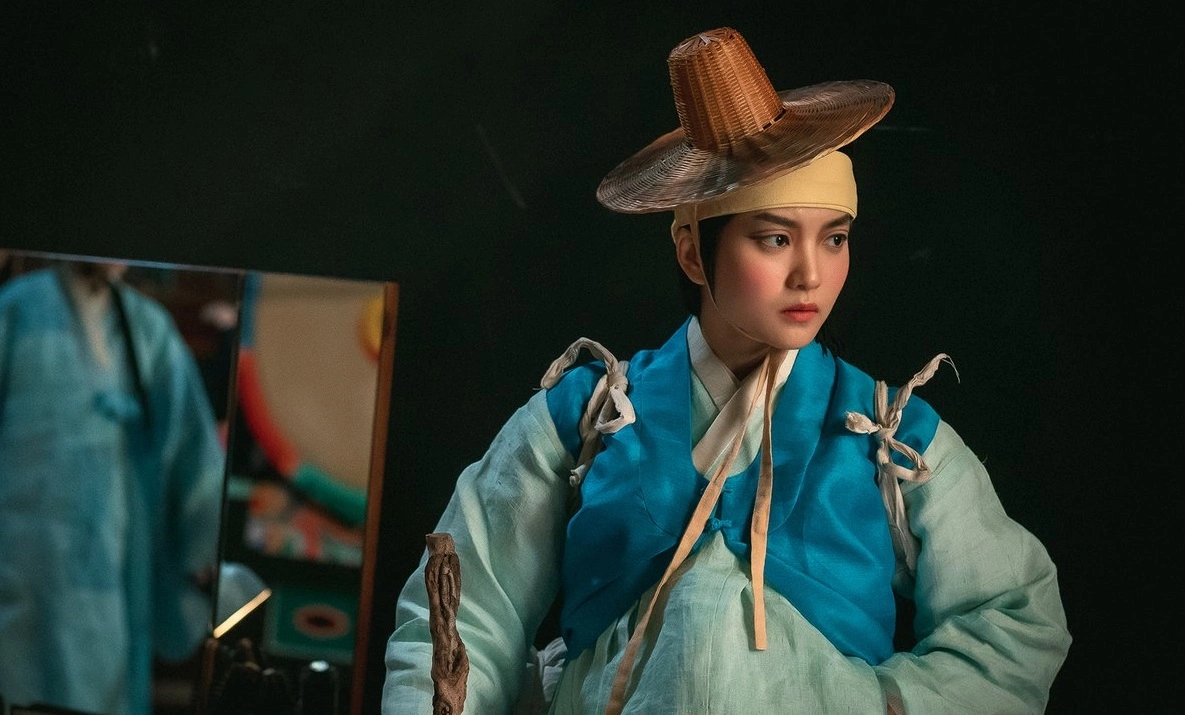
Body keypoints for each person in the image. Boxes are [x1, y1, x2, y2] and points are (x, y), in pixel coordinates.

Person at [382, 27, 1071, 714]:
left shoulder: (890, 436)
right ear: (692, 253)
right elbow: (464, 614)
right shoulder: (586, 421)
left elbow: (1012, 619)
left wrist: (883, 703)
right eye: (774, 238)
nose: (810, 274)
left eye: (834, 238)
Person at [0, 257, 227, 715]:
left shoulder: (148, 329)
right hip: (20, 576)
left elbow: (193, 456)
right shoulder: (17, 311)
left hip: (113, 580)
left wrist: (203, 550)